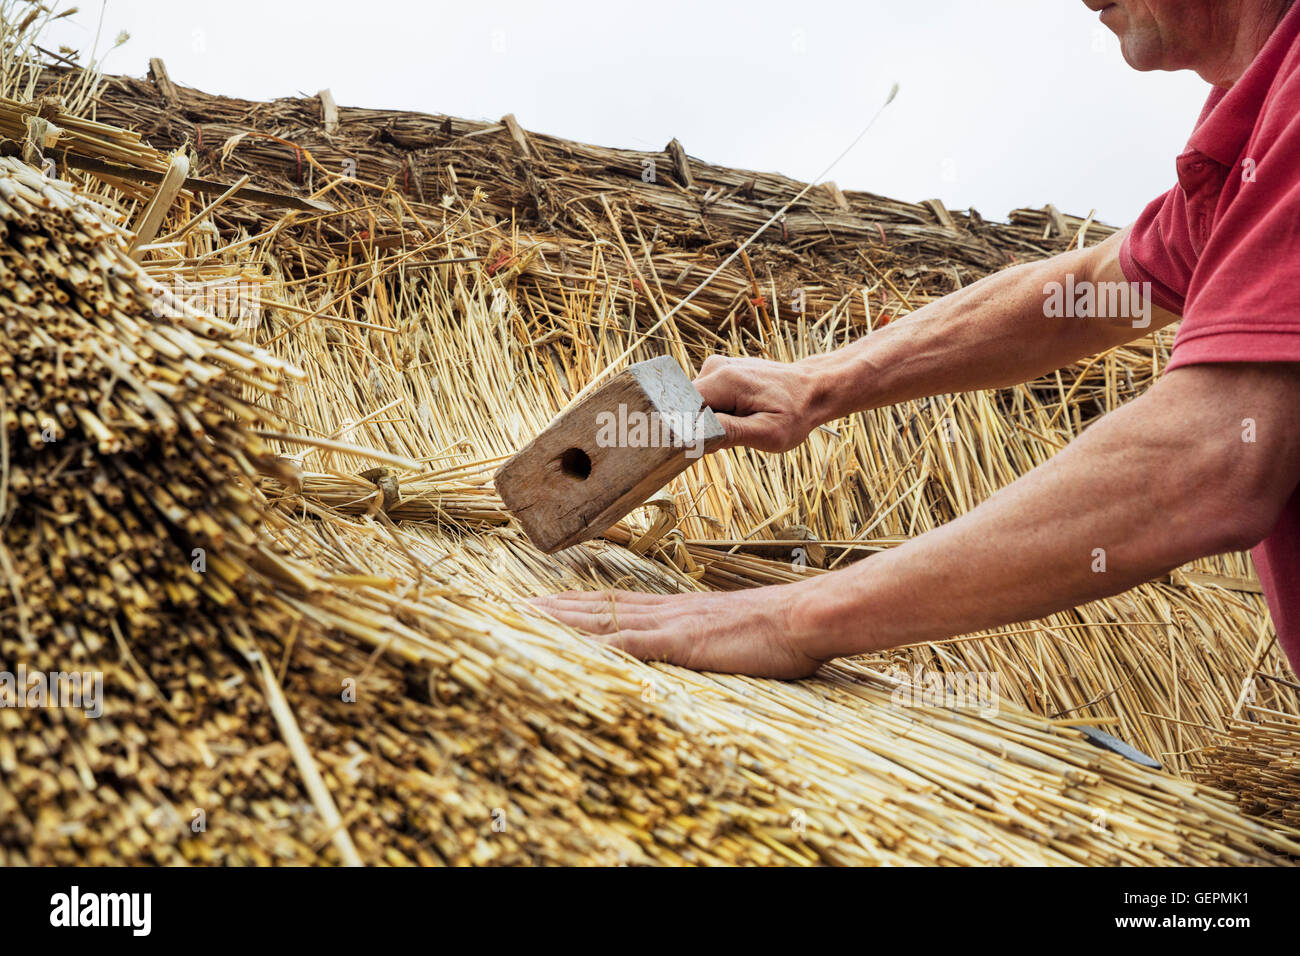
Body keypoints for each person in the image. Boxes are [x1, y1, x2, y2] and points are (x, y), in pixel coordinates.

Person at [534, 0, 1300, 680]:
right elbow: (1099, 288)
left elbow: (1215, 454)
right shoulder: (1246, 128)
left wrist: (793, 617)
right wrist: (826, 381)